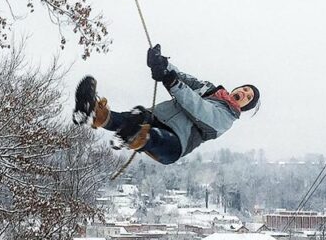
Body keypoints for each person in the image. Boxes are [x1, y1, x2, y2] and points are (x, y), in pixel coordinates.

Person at [73, 44, 260, 165]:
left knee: (149, 134)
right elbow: (182, 78)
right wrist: (162, 64)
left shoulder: (226, 118)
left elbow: (200, 110)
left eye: (248, 97)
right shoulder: (208, 88)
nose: (244, 93)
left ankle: (135, 136)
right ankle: (90, 113)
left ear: (244, 106)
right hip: (156, 117)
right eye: (244, 89)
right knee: (134, 116)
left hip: (175, 142)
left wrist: (171, 83)